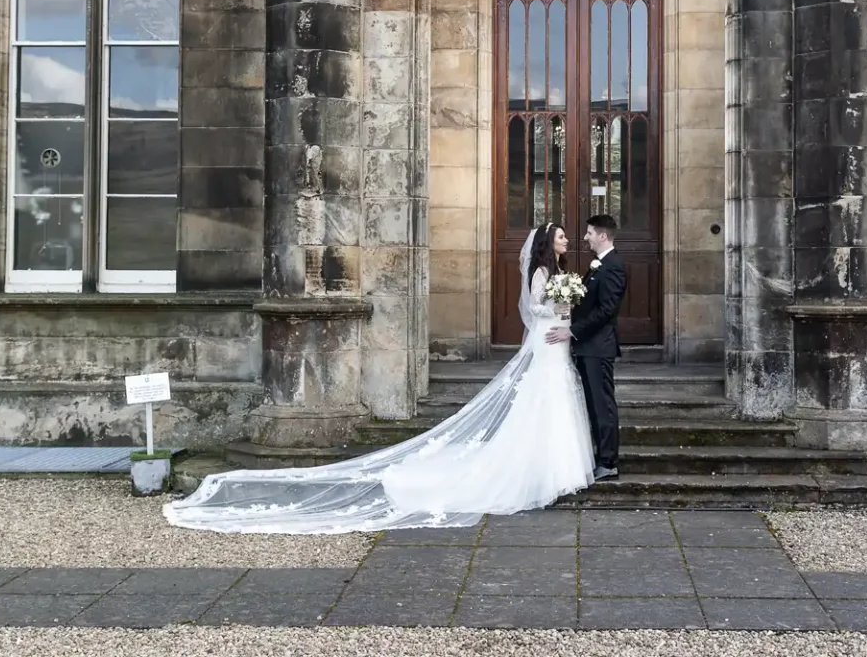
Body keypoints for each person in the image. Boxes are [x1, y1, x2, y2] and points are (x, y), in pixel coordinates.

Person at [164, 223, 595, 534]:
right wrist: (560, 310)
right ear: (546, 244)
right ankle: (538, 474)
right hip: (547, 339)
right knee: (542, 401)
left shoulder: (559, 273)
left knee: (555, 401)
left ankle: (553, 472)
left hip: (556, 341)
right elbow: (535, 307)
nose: (567, 240)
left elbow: (553, 305)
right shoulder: (541, 273)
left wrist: (567, 310)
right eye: (560, 237)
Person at [547, 213, 626, 480]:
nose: (585, 237)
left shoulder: (613, 265)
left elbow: (606, 310)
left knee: (602, 404)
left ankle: (608, 461)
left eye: (590, 233)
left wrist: (571, 330)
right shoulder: (598, 264)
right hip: (588, 346)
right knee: (593, 404)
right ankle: (600, 456)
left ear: (603, 236)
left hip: (598, 347)